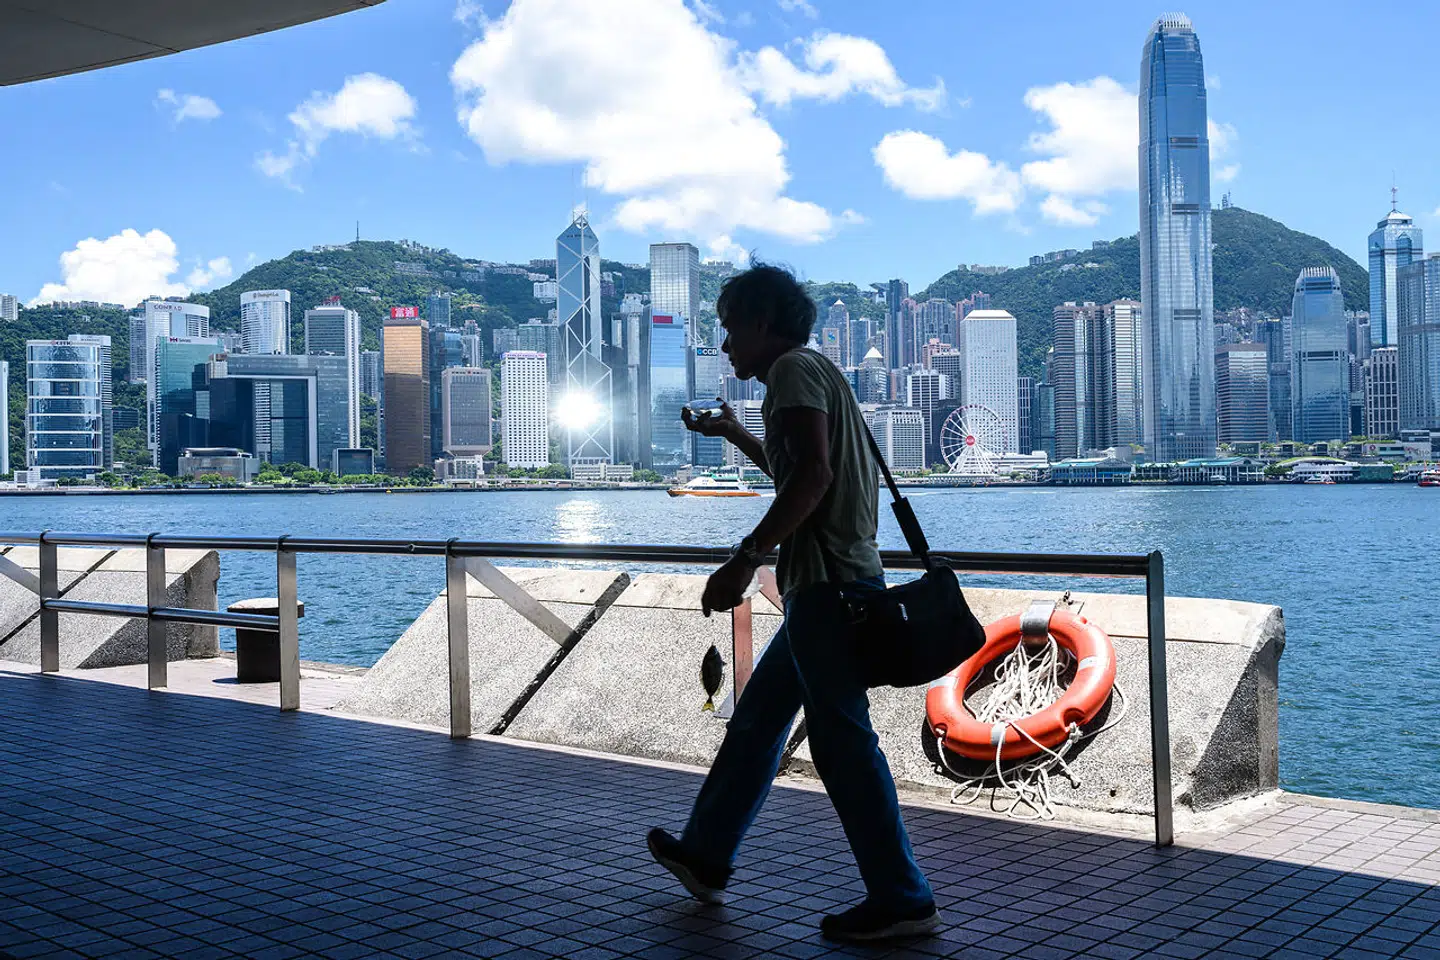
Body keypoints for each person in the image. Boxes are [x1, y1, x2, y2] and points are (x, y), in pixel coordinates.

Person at [646, 264, 939, 942]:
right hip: (823, 586)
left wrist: (745, 558)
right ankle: (707, 855)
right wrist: (738, 437)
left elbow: (813, 477)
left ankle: (904, 897)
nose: (724, 347)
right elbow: (803, 473)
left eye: (728, 330)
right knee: (756, 726)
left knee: (843, 746)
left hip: (830, 590)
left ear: (761, 323)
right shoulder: (816, 371)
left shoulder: (791, 372)